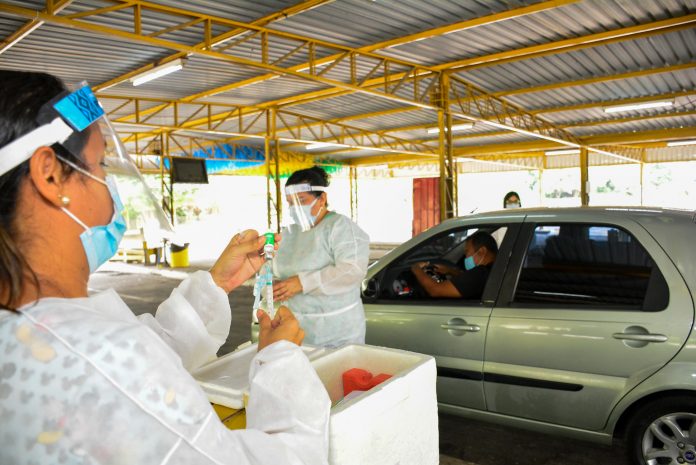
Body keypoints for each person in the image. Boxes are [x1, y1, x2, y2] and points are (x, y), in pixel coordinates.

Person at [0, 71, 330, 465]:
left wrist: (214, 286)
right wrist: (279, 362)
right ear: (50, 174)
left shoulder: (34, 326)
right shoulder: (101, 358)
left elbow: (138, 362)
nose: (110, 188)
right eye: (100, 165)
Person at [273, 166, 370, 348]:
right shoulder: (289, 234)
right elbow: (272, 268)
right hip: (296, 331)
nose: (294, 208)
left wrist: (303, 283)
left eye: (300, 200)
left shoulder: (341, 228)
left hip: (338, 333)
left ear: (322, 198)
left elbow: (352, 270)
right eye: (290, 202)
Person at [411, 231, 498, 299]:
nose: (465, 257)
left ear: (481, 251)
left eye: (467, 252)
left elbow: (436, 290)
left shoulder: (480, 273)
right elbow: (470, 282)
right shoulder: (494, 270)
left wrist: (416, 269)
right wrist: (451, 271)